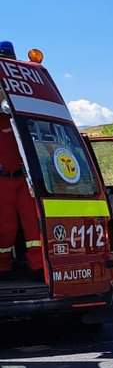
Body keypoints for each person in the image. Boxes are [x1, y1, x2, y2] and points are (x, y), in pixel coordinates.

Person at [0, 114, 43, 277]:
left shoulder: (17, 119)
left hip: (24, 179)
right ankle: (3, 264)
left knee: (33, 222)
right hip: (3, 180)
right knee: (6, 226)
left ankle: (38, 265)